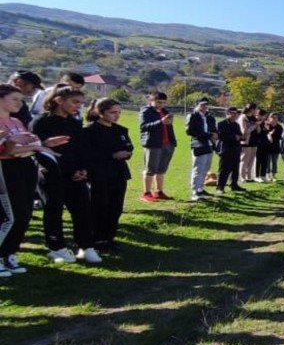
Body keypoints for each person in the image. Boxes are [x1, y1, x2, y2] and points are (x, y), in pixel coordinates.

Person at [31, 87, 102, 264]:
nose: (78, 106)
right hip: (52, 174)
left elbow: (82, 149)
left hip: (76, 175)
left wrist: (83, 169)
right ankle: (57, 247)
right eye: (74, 102)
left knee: (82, 210)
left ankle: (86, 246)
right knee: (54, 210)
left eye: (80, 103)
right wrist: (66, 169)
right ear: (58, 100)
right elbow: (39, 151)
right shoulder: (41, 122)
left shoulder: (74, 123)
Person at [0, 85, 58, 276]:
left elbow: (29, 145)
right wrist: (16, 145)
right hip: (6, 170)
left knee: (24, 213)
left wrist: (43, 145)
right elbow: (8, 150)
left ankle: (9, 253)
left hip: (24, 167)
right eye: (14, 99)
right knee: (10, 215)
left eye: (21, 99)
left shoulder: (16, 121)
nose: (20, 103)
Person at [84, 98, 133, 253]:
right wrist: (112, 155)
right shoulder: (89, 131)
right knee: (100, 206)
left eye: (119, 112)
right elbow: (88, 154)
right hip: (99, 174)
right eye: (113, 112)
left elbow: (128, 146)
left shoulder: (121, 130)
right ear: (100, 112)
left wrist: (126, 153)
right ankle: (97, 239)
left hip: (119, 173)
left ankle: (109, 238)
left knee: (116, 207)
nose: (117, 116)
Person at [139, 91, 177, 202]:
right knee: (150, 170)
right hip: (153, 144)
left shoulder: (165, 111)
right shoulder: (145, 111)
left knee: (161, 170)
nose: (161, 105)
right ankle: (146, 193)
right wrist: (161, 122)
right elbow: (144, 126)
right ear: (151, 101)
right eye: (158, 102)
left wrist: (172, 142)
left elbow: (169, 127)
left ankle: (159, 192)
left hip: (167, 144)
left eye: (164, 102)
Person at [186, 97, 217, 201]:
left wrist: (214, 135)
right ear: (197, 105)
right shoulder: (193, 115)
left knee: (205, 168)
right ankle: (195, 191)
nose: (204, 107)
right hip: (199, 144)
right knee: (198, 168)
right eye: (202, 105)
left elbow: (213, 128)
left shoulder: (208, 116)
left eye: (206, 105)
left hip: (209, 144)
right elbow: (189, 131)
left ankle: (200, 189)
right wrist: (208, 135)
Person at [215, 106, 245, 195]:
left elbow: (240, 135)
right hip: (226, 149)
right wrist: (234, 137)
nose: (235, 115)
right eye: (233, 113)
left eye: (236, 113)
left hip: (236, 149)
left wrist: (241, 137)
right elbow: (220, 136)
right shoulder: (221, 124)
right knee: (224, 169)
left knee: (235, 168)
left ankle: (234, 184)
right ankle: (220, 187)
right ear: (227, 113)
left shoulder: (236, 125)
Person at [256, 111, 282, 182]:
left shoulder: (279, 127)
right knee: (267, 162)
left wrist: (271, 135)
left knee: (274, 162)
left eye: (276, 118)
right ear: (269, 118)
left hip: (276, 146)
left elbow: (279, 137)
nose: (274, 119)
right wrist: (269, 133)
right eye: (272, 117)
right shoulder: (267, 125)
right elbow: (263, 134)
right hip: (267, 146)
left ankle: (274, 175)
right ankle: (267, 175)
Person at [238, 103, 259, 182]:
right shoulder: (243, 117)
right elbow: (244, 131)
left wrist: (258, 124)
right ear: (252, 109)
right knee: (244, 160)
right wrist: (254, 126)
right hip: (246, 141)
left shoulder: (254, 118)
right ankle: (242, 177)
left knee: (251, 160)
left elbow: (258, 130)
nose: (257, 111)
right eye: (256, 109)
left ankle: (249, 176)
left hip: (254, 141)